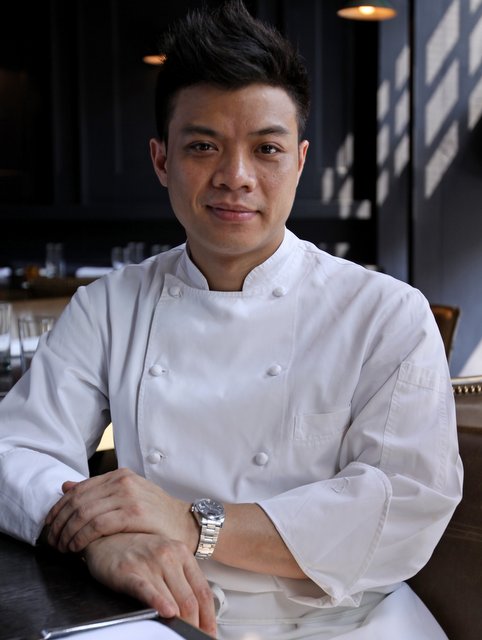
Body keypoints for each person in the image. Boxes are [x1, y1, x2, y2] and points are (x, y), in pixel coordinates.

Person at [0, 1, 462, 638]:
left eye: (266, 148)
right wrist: (102, 540)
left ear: (299, 161)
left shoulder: (386, 313)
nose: (235, 177)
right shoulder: (110, 305)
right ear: (162, 160)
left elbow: (403, 506)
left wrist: (192, 523)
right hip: (161, 610)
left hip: (344, 622)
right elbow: (14, 450)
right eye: (203, 146)